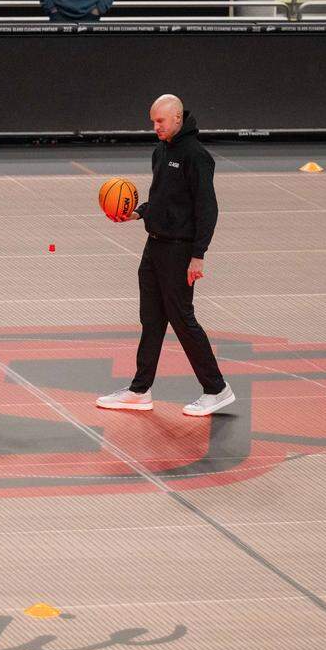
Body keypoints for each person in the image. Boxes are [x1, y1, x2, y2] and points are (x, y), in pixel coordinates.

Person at [97, 94, 234, 417]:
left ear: (177, 118)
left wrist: (198, 255)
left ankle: (216, 389)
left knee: (183, 319)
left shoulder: (196, 156)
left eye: (160, 121)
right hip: (154, 246)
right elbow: (161, 198)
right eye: (152, 122)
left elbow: (207, 209)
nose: (155, 127)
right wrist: (138, 213)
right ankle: (139, 390)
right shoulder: (161, 151)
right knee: (151, 320)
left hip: (179, 250)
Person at [41, 0, 113, 21]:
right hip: (59, 15)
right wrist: (51, 8)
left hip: (91, 16)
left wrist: (99, 9)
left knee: (92, 54)